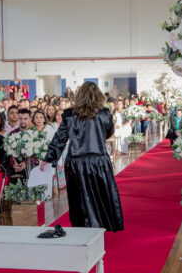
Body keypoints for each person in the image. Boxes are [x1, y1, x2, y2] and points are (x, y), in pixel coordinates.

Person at [41, 81, 124, 231]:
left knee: (79, 198)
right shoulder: (105, 114)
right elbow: (108, 133)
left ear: (79, 96)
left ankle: (82, 227)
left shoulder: (69, 115)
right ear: (98, 95)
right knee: (100, 196)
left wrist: (48, 159)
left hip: (75, 162)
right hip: (98, 160)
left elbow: (60, 138)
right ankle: (100, 226)